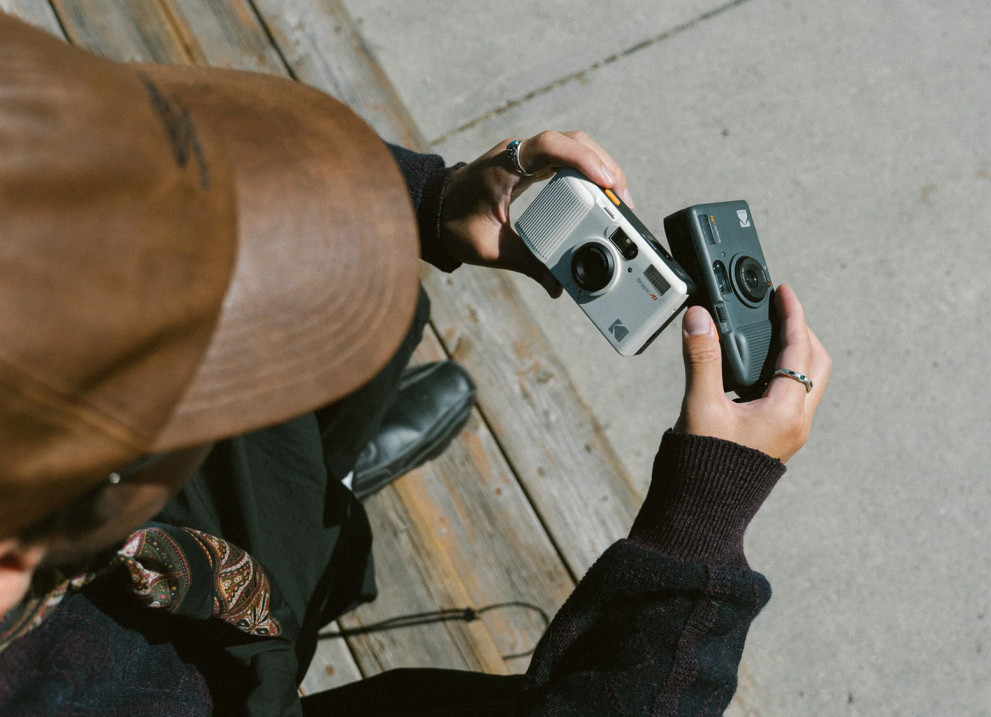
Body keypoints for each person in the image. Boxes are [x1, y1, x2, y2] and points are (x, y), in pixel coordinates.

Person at [0, 11, 831, 717]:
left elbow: (105, 146)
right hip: (212, 673)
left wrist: (426, 202)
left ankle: (325, 484)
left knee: (305, 447)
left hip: (184, 541)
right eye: (196, 374)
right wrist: (700, 523)